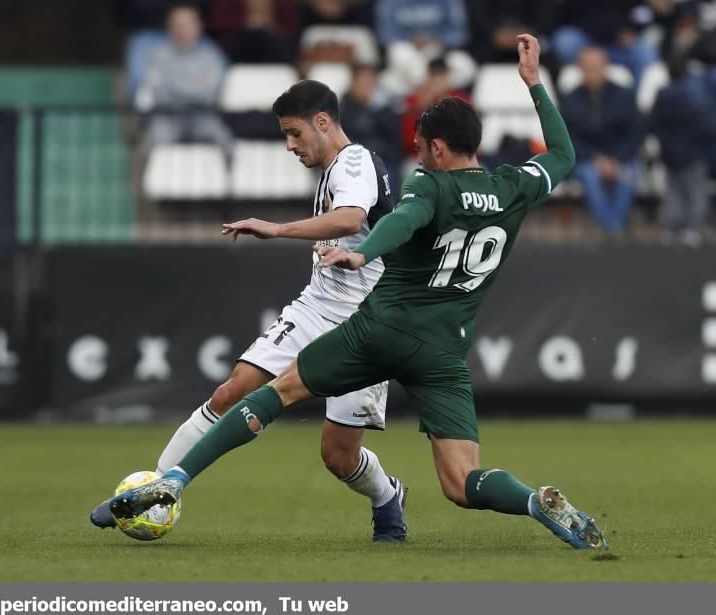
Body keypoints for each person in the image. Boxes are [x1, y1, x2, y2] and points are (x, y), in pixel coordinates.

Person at [103, 35, 608, 551]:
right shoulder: (514, 186)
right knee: (461, 482)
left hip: (382, 329)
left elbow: (398, 222)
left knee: (276, 392)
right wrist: (533, 84)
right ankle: (531, 500)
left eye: (419, 147)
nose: (417, 155)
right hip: (444, 351)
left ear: (435, 148)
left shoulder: (428, 185)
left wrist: (361, 253)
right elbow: (564, 154)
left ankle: (174, 482)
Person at [93, 79, 407, 542]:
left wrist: (275, 229)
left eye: (295, 133)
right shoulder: (336, 168)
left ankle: (386, 495)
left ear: (323, 122)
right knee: (231, 391)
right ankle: (155, 489)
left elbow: (351, 218)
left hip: (364, 322)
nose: (290, 145)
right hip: (317, 307)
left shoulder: (355, 161)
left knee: (338, 456)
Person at [561, 46, 642, 236]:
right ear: (579, 69)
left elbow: (635, 132)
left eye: (597, 67)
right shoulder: (569, 99)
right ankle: (613, 229)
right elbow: (566, 137)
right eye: (588, 68)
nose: (593, 73)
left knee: (628, 176)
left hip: (620, 158)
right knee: (591, 177)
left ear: (606, 67)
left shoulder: (624, 95)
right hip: (585, 159)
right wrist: (596, 159)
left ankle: (611, 228)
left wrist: (616, 159)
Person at [137, 3, 233, 154]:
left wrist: (174, 85)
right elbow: (158, 93)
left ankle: (227, 178)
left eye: (186, 25)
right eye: (177, 25)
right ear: (169, 28)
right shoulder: (158, 56)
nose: (181, 30)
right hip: (168, 116)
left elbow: (209, 95)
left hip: (203, 116)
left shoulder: (211, 56)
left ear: (198, 27)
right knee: (154, 138)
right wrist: (193, 86)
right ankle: (151, 178)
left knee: (223, 139)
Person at [651, 59, 714, 247]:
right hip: (693, 153)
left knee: (674, 192)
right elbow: (705, 126)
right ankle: (691, 229)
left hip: (670, 154)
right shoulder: (694, 95)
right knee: (696, 192)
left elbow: (654, 124)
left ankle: (671, 229)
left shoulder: (662, 95)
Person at [340, 64, 401, 192]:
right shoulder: (343, 109)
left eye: (370, 84)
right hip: (356, 161)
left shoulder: (382, 108)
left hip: (383, 159)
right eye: (363, 84)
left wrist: (378, 111)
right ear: (353, 84)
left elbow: (393, 135)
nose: (366, 88)